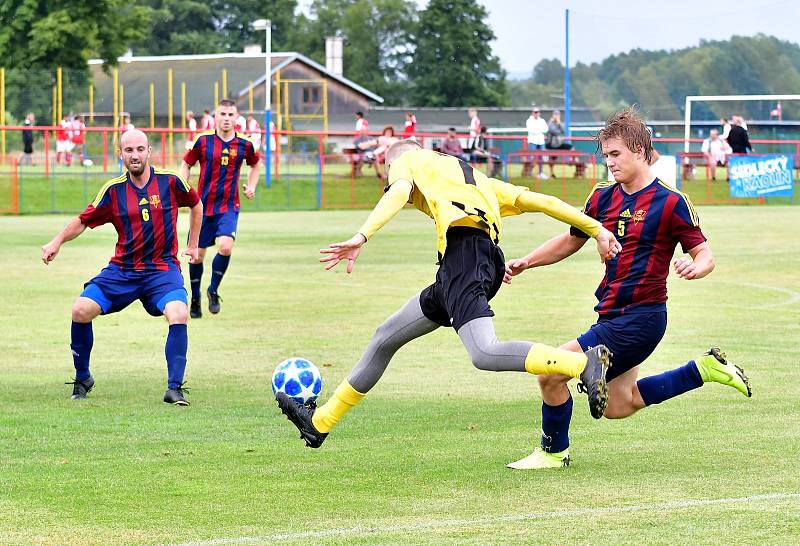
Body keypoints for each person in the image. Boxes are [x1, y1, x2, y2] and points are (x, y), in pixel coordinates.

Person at [276, 139, 623, 451]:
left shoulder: (407, 159)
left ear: (389, 162)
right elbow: (538, 200)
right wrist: (597, 228)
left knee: (484, 352)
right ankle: (319, 423)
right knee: (385, 338)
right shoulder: (472, 175)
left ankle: (582, 363)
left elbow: (397, 191)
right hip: (471, 263)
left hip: (465, 257)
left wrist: (362, 235)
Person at [504, 108, 751, 470]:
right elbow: (572, 239)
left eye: (615, 154)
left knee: (549, 372)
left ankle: (553, 451)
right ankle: (703, 369)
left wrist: (695, 267)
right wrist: (527, 261)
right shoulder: (602, 197)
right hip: (610, 311)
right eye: (605, 156)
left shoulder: (671, 202)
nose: (609, 164)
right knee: (621, 405)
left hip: (642, 317)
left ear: (639, 149)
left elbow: (704, 254)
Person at [41, 129, 202, 405]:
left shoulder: (171, 182)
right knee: (80, 310)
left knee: (179, 312)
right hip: (123, 271)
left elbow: (196, 205)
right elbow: (83, 220)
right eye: (129, 150)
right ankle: (83, 378)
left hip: (161, 271)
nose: (135, 155)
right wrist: (57, 241)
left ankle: (174, 388)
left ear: (149, 151)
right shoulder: (113, 190)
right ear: (121, 154)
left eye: (140, 149)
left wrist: (193, 243)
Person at [179, 99, 261, 318]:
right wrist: (182, 189)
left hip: (228, 206)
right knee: (196, 257)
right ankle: (195, 298)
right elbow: (186, 164)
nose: (226, 118)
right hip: (202, 208)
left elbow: (255, 165)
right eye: (222, 114)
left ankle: (213, 290)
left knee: (225, 247)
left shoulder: (245, 144)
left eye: (230, 114)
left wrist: (251, 186)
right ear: (216, 117)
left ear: (236, 118)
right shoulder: (203, 141)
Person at [545, 110, 571, 178]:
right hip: (551, 144)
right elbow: (552, 131)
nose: (556, 116)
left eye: (558, 115)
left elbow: (564, 130)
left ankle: (572, 161)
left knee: (571, 147)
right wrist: (558, 131)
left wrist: (559, 124)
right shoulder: (550, 123)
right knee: (552, 159)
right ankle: (551, 173)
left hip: (559, 144)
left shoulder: (560, 123)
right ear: (553, 115)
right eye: (555, 114)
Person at [525, 107, 548, 179]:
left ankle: (540, 173)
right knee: (531, 157)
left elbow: (545, 129)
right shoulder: (529, 121)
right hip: (532, 141)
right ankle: (530, 172)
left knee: (541, 157)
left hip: (541, 141)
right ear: (532, 113)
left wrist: (538, 129)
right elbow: (531, 130)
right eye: (535, 112)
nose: (536, 113)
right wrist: (539, 130)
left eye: (537, 112)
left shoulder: (542, 120)